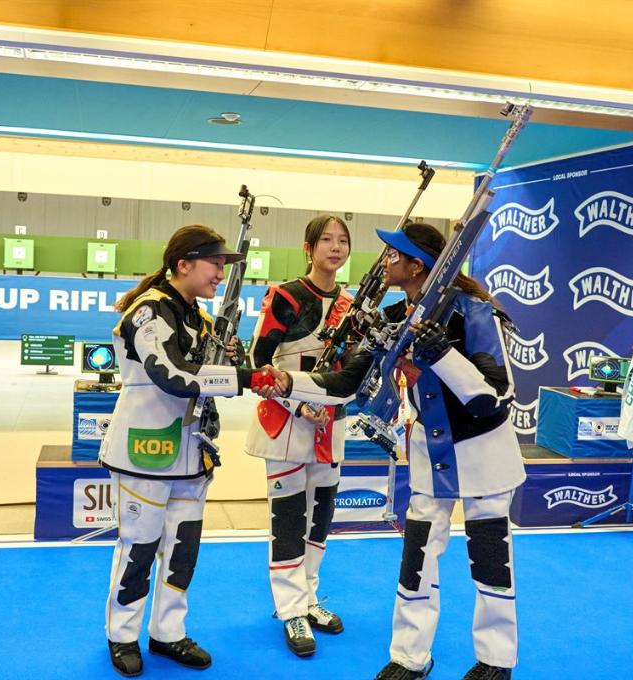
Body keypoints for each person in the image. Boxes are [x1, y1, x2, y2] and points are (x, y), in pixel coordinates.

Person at [254, 223, 525, 680]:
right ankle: (409, 657)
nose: (386, 262)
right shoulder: (395, 317)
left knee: (490, 561)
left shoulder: (474, 312)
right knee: (416, 562)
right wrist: (287, 382)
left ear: (417, 265)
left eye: (394, 255)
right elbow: (345, 383)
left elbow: (496, 395)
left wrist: (443, 354)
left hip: (483, 453)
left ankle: (496, 660)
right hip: (430, 456)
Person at [99, 224, 261, 677]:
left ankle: (168, 632)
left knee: (182, 551)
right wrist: (241, 378)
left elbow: (211, 373)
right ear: (183, 264)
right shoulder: (148, 311)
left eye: (224, 265)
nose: (220, 273)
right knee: (139, 549)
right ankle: (122, 635)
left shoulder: (201, 319)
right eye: (215, 263)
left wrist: (232, 357)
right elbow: (172, 374)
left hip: (192, 455)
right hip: (144, 453)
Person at [244, 214, 353, 657]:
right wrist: (299, 403)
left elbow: (355, 369)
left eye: (342, 240)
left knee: (320, 516)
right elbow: (259, 361)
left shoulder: (352, 306)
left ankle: (309, 597)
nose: (335, 247)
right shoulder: (285, 296)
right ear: (308, 248)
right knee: (288, 518)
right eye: (326, 239)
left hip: (331, 423)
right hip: (287, 423)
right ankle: (290, 609)